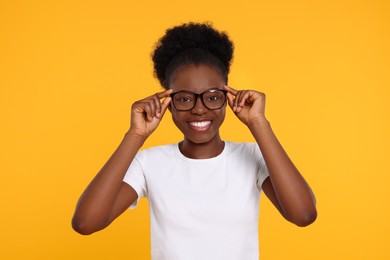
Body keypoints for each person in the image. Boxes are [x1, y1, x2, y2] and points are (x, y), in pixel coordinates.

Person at [72, 22, 317, 259]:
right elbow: (85, 223)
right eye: (185, 99)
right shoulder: (149, 162)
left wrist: (258, 124)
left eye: (212, 97)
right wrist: (135, 135)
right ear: (167, 104)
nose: (199, 109)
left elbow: (303, 215)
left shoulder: (251, 156)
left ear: (228, 97)